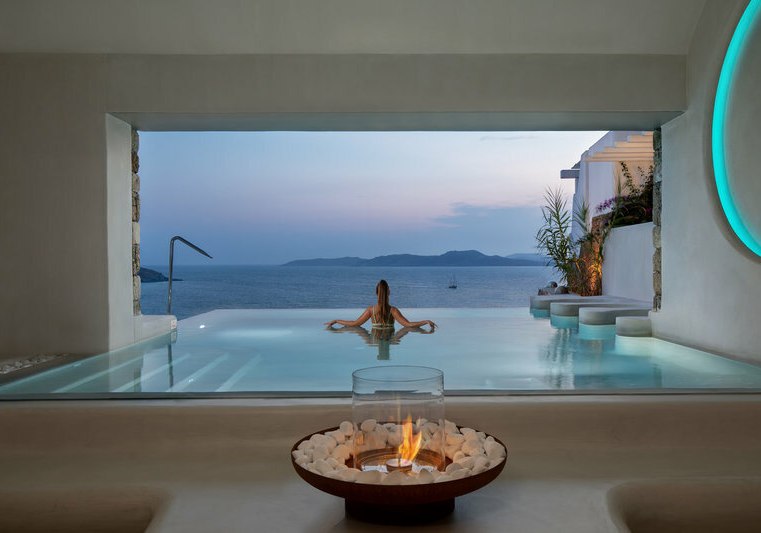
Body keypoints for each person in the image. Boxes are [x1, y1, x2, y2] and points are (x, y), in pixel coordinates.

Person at [325, 279, 436, 330]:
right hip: (390, 338)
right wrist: (425, 321)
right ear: (389, 292)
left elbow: (355, 324)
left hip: (374, 339)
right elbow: (408, 325)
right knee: (401, 335)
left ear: (376, 293)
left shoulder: (370, 310)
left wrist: (337, 321)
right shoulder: (393, 310)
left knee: (364, 336)